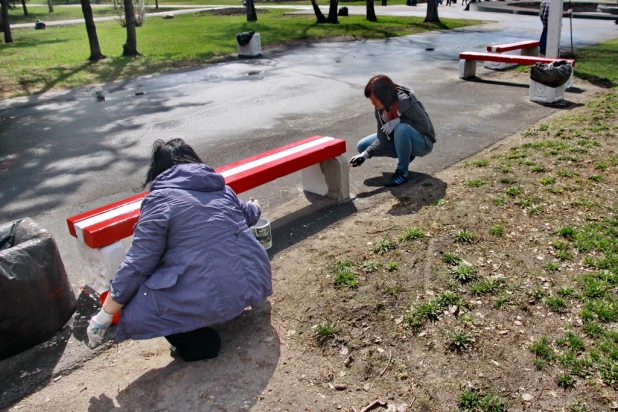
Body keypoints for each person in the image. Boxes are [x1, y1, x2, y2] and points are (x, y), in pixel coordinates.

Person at [86, 138, 272, 362]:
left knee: (139, 294)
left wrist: (105, 314)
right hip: (252, 284)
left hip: (213, 296)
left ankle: (189, 335)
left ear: (158, 170)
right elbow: (249, 213)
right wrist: (257, 206)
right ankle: (225, 309)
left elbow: (138, 263)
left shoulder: (159, 200)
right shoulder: (222, 189)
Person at [349, 75, 436, 187]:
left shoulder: (404, 101)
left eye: (375, 99)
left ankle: (402, 173)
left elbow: (425, 126)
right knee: (362, 146)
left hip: (423, 143)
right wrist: (365, 155)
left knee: (401, 128)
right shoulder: (380, 108)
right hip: (401, 137)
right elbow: (382, 138)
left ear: (384, 95)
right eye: (371, 99)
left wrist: (400, 120)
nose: (373, 103)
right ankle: (406, 154)